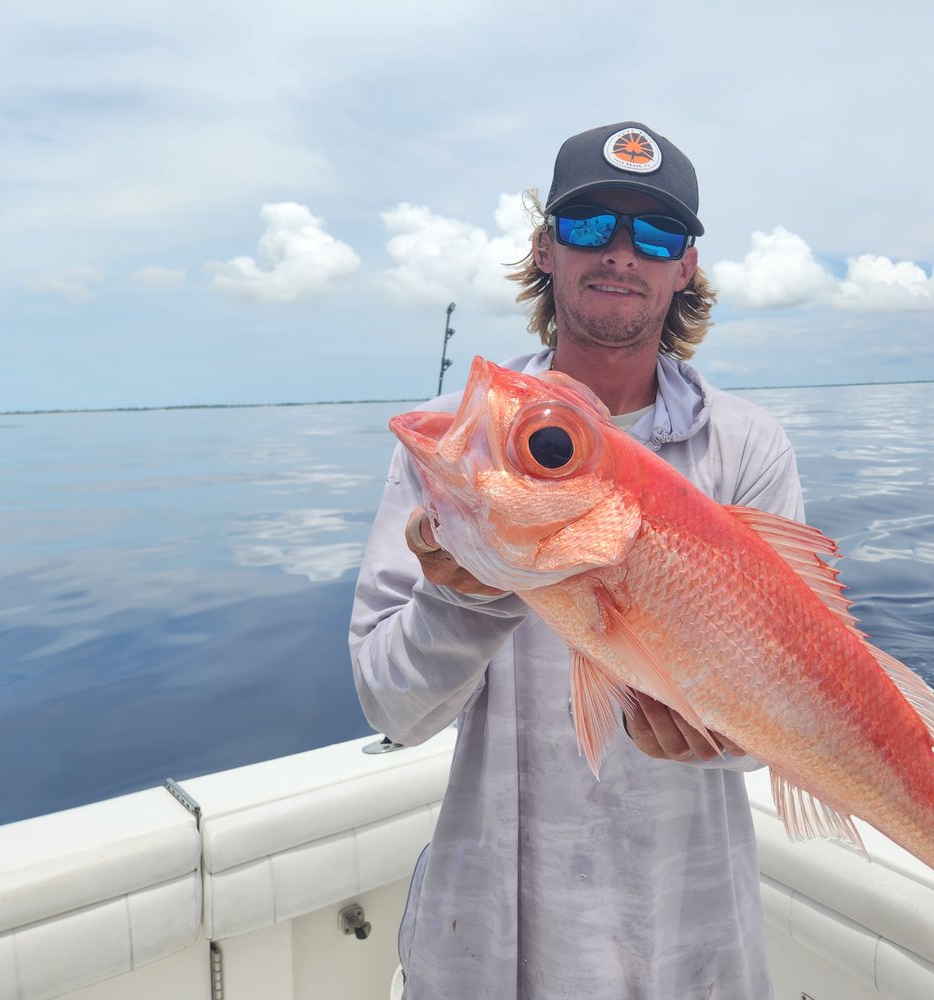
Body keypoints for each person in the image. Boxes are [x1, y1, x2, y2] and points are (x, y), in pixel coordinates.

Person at [350, 121, 805, 999]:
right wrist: (465, 597)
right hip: (497, 929)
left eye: (656, 234)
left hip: (692, 922)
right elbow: (391, 707)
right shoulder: (464, 435)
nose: (622, 254)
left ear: (685, 268)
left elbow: (785, 713)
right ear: (546, 249)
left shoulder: (747, 446)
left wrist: (717, 743)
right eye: (591, 225)